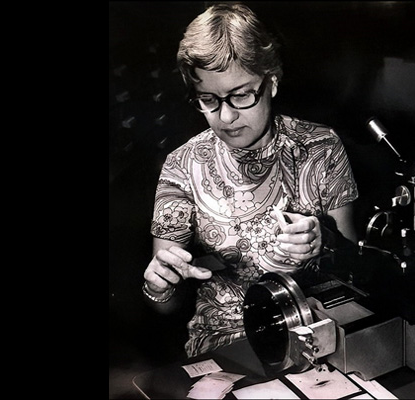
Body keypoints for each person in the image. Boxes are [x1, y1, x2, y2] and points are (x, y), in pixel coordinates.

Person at [142, 2, 359, 358]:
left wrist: (325, 240)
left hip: (316, 333)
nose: (226, 117)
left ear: (271, 82)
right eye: (208, 99)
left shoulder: (321, 148)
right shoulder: (181, 166)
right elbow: (165, 304)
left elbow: (355, 271)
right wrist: (158, 286)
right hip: (226, 342)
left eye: (241, 94)